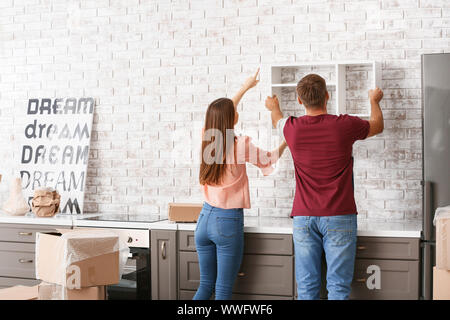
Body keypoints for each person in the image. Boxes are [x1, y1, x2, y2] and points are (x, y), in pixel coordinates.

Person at [265, 73, 384, 300]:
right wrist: (374, 101)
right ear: (327, 96)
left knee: (307, 289)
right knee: (338, 289)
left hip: (303, 218)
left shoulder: (292, 128)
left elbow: (276, 118)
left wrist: (273, 106)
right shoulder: (345, 125)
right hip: (339, 215)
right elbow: (377, 125)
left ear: (300, 101)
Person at [194, 69, 288, 300]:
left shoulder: (208, 138)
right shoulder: (240, 145)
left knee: (205, 286)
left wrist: (245, 88)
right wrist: (288, 140)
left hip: (204, 220)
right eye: (235, 112)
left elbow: (222, 114)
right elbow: (268, 159)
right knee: (223, 290)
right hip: (227, 222)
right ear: (233, 118)